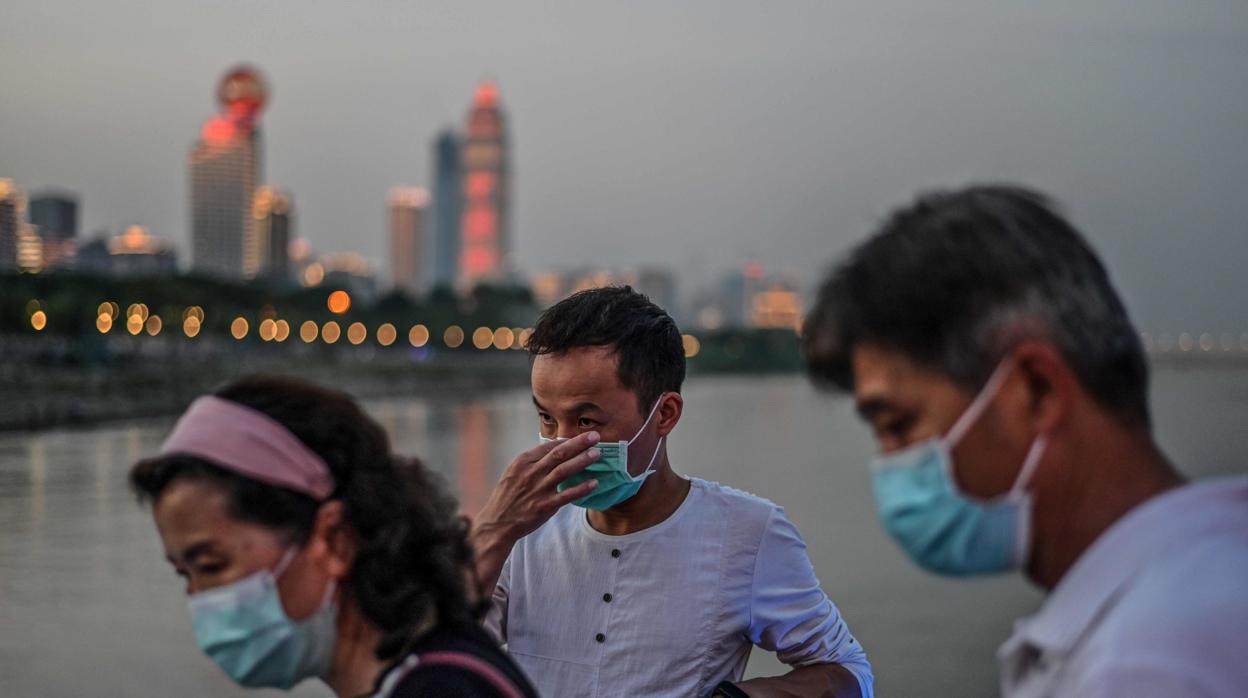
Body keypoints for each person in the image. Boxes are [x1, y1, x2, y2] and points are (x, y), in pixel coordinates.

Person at [801, 185, 1248, 697]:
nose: (889, 465)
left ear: (1036, 389)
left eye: (899, 424)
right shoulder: (1217, 573)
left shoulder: (1143, 667)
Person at [470, 286, 873, 698]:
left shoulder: (747, 534)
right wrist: (491, 531)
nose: (562, 444)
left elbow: (849, 673)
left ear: (664, 414)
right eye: (547, 418)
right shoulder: (521, 532)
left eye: (587, 421)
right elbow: (429, 651)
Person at [129, 376, 539, 698]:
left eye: (211, 566)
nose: (200, 600)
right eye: (185, 575)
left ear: (335, 538)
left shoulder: (443, 689)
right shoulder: (432, 670)